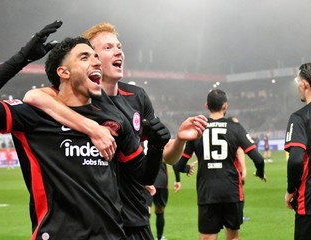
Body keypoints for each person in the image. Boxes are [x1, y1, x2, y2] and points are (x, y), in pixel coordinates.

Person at [23, 22, 207, 239]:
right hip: (98, 220)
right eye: (108, 48)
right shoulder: (74, 96)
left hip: (136, 215)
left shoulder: (137, 97)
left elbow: (165, 156)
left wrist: (179, 140)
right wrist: (91, 127)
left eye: (119, 46)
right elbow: (34, 97)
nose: (118, 51)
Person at [0, 32, 171, 239]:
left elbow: (143, 176)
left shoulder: (114, 119)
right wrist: (23, 57)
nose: (95, 62)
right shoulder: (33, 116)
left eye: (96, 57)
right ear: (64, 72)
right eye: (85, 57)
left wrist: (156, 147)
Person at [174, 89, 266, 240]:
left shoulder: (198, 129)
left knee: (207, 237)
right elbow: (259, 159)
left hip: (207, 192)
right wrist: (260, 172)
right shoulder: (235, 127)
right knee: (233, 236)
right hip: (230, 190)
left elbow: (178, 165)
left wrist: (185, 168)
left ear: (207, 105)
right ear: (225, 106)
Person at [284, 62, 311, 240]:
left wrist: (291, 190)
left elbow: (295, 160)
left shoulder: (300, 118)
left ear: (304, 84)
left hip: (308, 205)